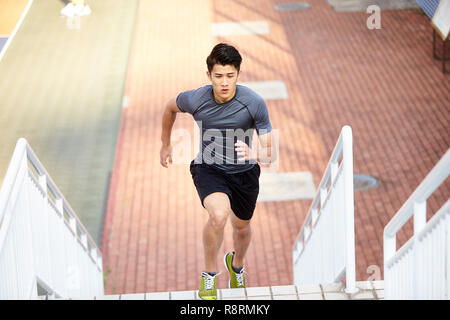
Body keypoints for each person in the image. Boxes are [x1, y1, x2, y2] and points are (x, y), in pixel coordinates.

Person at [160, 43, 276, 300]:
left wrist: (255, 154)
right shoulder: (197, 99)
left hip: (245, 173)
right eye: (218, 76)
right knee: (218, 215)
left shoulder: (253, 103)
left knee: (242, 229)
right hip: (208, 168)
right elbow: (169, 107)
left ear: (239, 73)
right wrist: (165, 143)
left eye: (230, 75)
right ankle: (209, 276)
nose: (224, 82)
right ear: (209, 75)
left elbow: (271, 150)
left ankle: (236, 266)